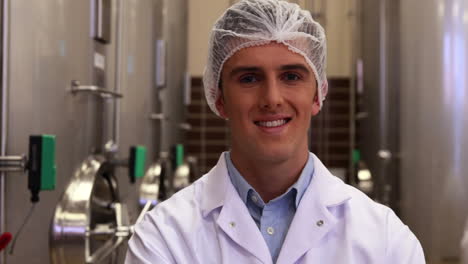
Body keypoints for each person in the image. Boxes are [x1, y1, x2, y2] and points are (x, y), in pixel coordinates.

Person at [125, 0, 425, 263]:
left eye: (291, 76)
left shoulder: (386, 239)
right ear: (218, 97)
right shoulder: (163, 237)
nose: (272, 98)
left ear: (318, 94)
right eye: (249, 78)